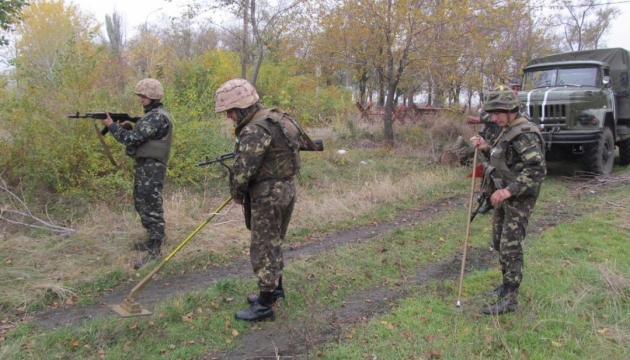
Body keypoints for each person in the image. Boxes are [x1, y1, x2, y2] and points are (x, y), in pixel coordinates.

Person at [215, 78, 317, 321]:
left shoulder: (254, 129)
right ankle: (275, 289)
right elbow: (305, 143)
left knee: (264, 246)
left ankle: (264, 304)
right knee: (275, 240)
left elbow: (242, 171)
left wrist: (237, 194)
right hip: (287, 189)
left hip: (267, 194)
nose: (228, 116)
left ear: (241, 107)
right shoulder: (281, 118)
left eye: (230, 111)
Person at [470, 86, 546, 315]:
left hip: (519, 197)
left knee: (510, 246)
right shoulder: (508, 128)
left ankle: (511, 298)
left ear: (511, 110)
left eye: (497, 113)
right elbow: (503, 159)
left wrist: (509, 191)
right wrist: (485, 148)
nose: (493, 117)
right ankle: (506, 287)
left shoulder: (525, 133)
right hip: (504, 194)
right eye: (491, 112)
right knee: (500, 242)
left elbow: (537, 170)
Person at [101, 78, 174, 270]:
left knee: (152, 204)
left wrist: (112, 126)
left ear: (153, 97)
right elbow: (141, 135)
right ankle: (152, 240)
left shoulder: (156, 117)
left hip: (152, 168)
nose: (140, 99)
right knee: (141, 201)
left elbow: (132, 139)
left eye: (143, 96)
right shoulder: (150, 117)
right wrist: (128, 126)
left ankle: (156, 249)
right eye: (140, 95)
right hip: (145, 166)